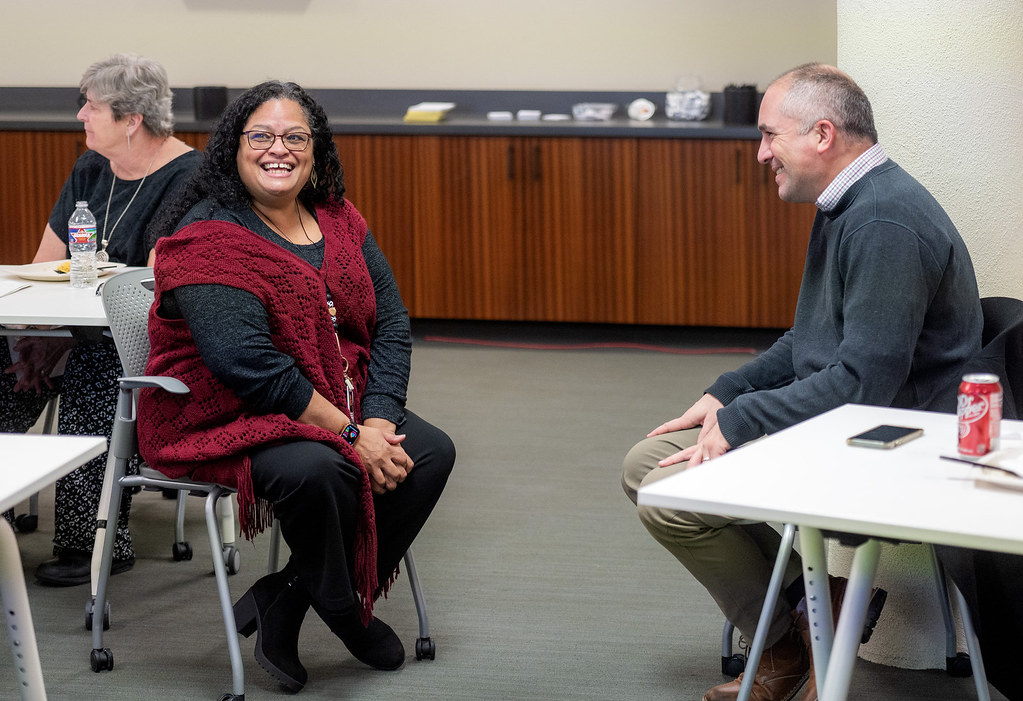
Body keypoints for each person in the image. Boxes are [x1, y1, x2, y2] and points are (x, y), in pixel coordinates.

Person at [621, 63, 982, 701]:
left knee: (670, 496)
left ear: (821, 134)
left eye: (769, 136)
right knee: (644, 464)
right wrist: (727, 392)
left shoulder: (881, 224)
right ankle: (815, 610)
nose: (761, 154)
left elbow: (863, 383)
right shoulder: (846, 203)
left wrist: (740, 422)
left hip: (892, 445)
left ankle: (789, 642)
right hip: (848, 424)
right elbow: (809, 343)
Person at [138, 80, 455, 693]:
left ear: (316, 149)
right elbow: (246, 365)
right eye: (260, 136)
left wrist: (381, 419)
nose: (277, 149)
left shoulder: (337, 216)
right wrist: (353, 433)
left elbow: (389, 321)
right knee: (320, 469)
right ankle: (344, 610)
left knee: (432, 450)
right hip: (227, 411)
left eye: (294, 137)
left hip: (341, 398)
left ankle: (289, 597)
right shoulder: (208, 236)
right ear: (234, 146)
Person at [0, 53, 200, 585]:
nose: (82, 117)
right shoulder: (91, 168)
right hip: (74, 329)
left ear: (132, 119)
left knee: (96, 366)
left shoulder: (191, 180)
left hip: (147, 340)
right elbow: (46, 264)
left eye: (92, 107)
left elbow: (152, 296)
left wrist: (64, 342)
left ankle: (95, 537)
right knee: (2, 358)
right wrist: (38, 335)